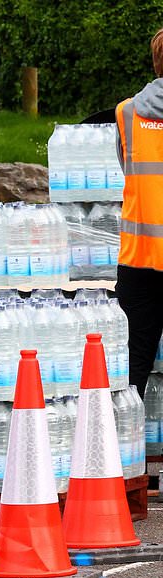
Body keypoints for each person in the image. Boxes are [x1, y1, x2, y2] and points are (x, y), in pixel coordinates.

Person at [116, 27, 163, 397]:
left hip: (139, 259)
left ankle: (126, 451)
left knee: (134, 365)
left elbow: (126, 166)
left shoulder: (128, 113)